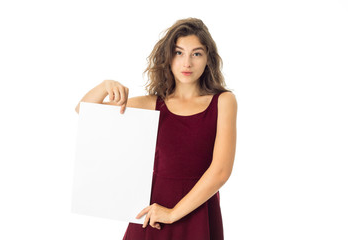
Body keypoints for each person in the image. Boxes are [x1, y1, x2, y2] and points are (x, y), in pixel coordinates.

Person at [75, 17, 237, 240]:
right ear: (168, 57)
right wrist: (105, 86)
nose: (187, 62)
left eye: (196, 53)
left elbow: (220, 172)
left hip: (196, 211)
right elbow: (84, 113)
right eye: (179, 53)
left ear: (208, 58)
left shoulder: (224, 101)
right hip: (152, 215)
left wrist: (172, 214)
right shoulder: (154, 104)